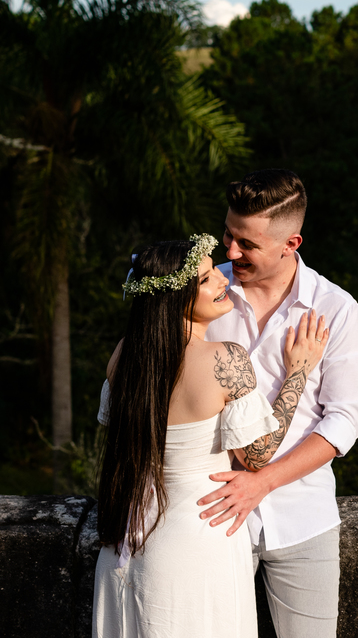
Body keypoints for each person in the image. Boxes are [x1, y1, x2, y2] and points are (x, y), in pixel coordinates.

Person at [92, 234, 330, 638]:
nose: (222, 281)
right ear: (174, 297)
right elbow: (257, 456)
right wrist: (299, 372)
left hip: (128, 537)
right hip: (197, 537)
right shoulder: (225, 358)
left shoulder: (124, 354)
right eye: (205, 279)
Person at [196, 169, 358, 638]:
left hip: (302, 519)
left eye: (246, 244)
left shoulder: (336, 310)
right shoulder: (202, 297)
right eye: (228, 236)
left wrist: (263, 483)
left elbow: (343, 422)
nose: (230, 252)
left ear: (290, 243)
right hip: (208, 514)